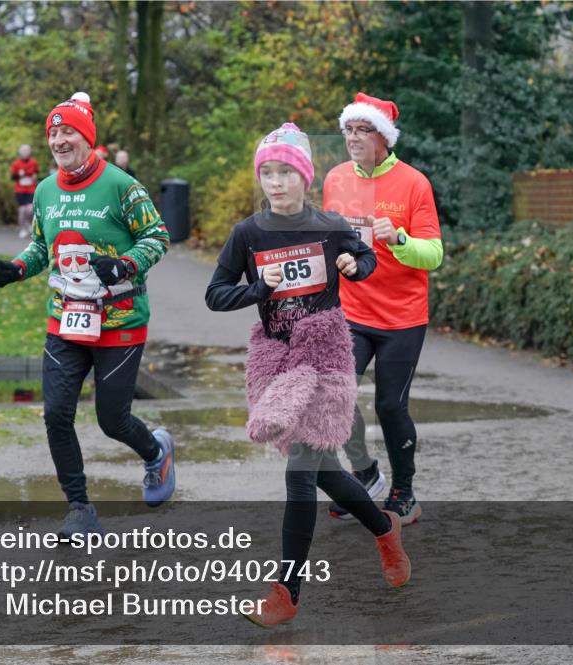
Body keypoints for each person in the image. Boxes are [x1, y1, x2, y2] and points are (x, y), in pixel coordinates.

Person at [205, 122, 410, 628]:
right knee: (324, 473)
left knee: (300, 474)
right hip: (277, 361)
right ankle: (384, 527)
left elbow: (364, 258)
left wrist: (354, 263)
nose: (275, 183)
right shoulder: (248, 234)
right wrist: (258, 290)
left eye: (285, 173)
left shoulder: (328, 224)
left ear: (304, 177)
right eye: (267, 173)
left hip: (325, 359)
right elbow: (215, 294)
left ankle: (286, 593)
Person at [0, 92, 174, 536]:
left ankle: (156, 453)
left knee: (112, 421)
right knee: (56, 415)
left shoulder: (121, 185)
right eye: (52, 133)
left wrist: (126, 264)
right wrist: (18, 268)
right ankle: (78, 507)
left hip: (120, 322)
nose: (58, 140)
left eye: (67, 131)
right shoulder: (45, 190)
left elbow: (158, 236)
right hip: (65, 320)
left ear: (87, 137)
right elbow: (42, 247)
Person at [322, 93, 444, 526]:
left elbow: (434, 255)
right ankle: (365, 475)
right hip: (351, 311)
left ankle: (403, 492)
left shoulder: (414, 183)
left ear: (383, 136)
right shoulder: (335, 179)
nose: (352, 138)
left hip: (401, 318)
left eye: (362, 130)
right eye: (348, 130)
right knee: (335, 394)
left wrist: (400, 241)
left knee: (391, 406)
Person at [10, 144, 39, 239]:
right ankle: (23, 228)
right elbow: (12, 177)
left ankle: (28, 224)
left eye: (27, 150)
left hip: (31, 188)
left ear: (30, 152)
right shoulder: (16, 163)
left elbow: (36, 173)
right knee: (22, 210)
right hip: (20, 190)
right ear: (20, 152)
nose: (25, 152)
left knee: (30, 209)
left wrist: (34, 176)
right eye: (23, 151)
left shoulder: (33, 162)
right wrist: (19, 175)